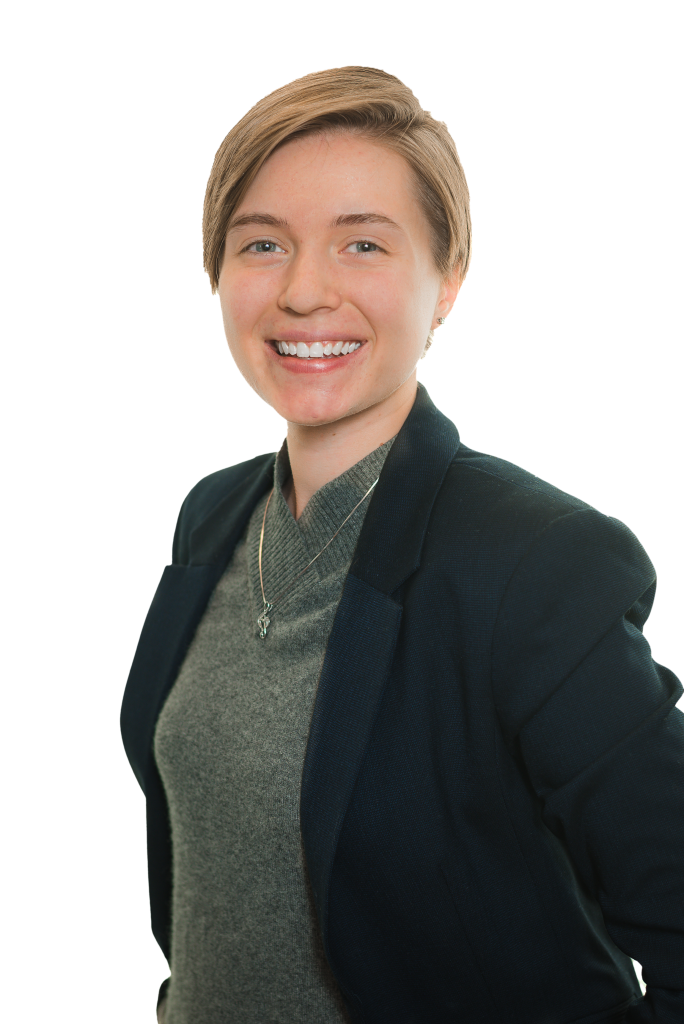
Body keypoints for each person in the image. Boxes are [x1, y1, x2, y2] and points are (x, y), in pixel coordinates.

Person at [120, 66, 683, 1023]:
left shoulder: (541, 561)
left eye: (363, 243)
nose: (304, 291)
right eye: (263, 243)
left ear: (446, 287)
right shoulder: (212, 516)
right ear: (216, 272)